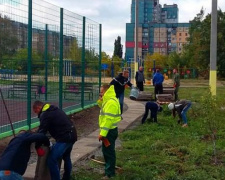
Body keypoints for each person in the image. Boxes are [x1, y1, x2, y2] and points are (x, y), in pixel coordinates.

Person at [33, 101, 77, 180]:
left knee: (52, 160)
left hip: (65, 138)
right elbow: (49, 128)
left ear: (38, 108)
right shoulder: (54, 109)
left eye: (36, 112)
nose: (37, 114)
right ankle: (66, 178)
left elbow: (42, 131)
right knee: (67, 157)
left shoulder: (45, 114)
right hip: (72, 135)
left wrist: (37, 145)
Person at [97, 85, 121, 179]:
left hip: (109, 131)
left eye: (102, 92)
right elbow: (103, 108)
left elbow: (108, 120)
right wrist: (100, 100)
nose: (100, 93)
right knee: (106, 151)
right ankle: (109, 171)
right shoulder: (109, 100)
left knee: (109, 152)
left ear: (106, 91)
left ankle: (110, 174)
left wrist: (102, 134)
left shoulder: (111, 102)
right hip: (109, 131)